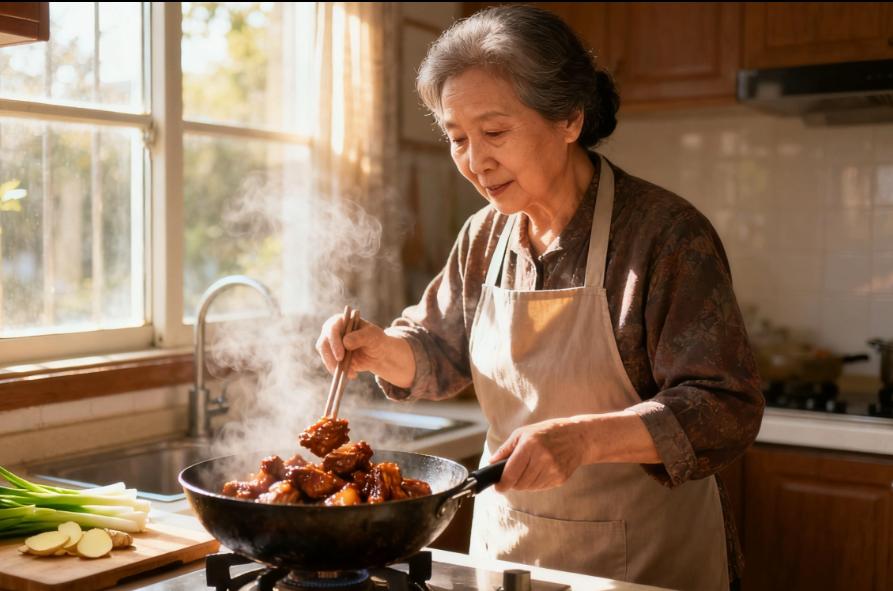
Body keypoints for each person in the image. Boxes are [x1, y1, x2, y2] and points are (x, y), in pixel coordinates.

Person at [315, 5, 763, 591]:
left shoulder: (664, 234)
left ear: (569, 119)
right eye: (458, 139)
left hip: (647, 560)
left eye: (495, 133)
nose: (475, 162)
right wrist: (380, 349)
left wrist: (584, 439)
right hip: (510, 550)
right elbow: (438, 352)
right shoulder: (484, 235)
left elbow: (725, 405)